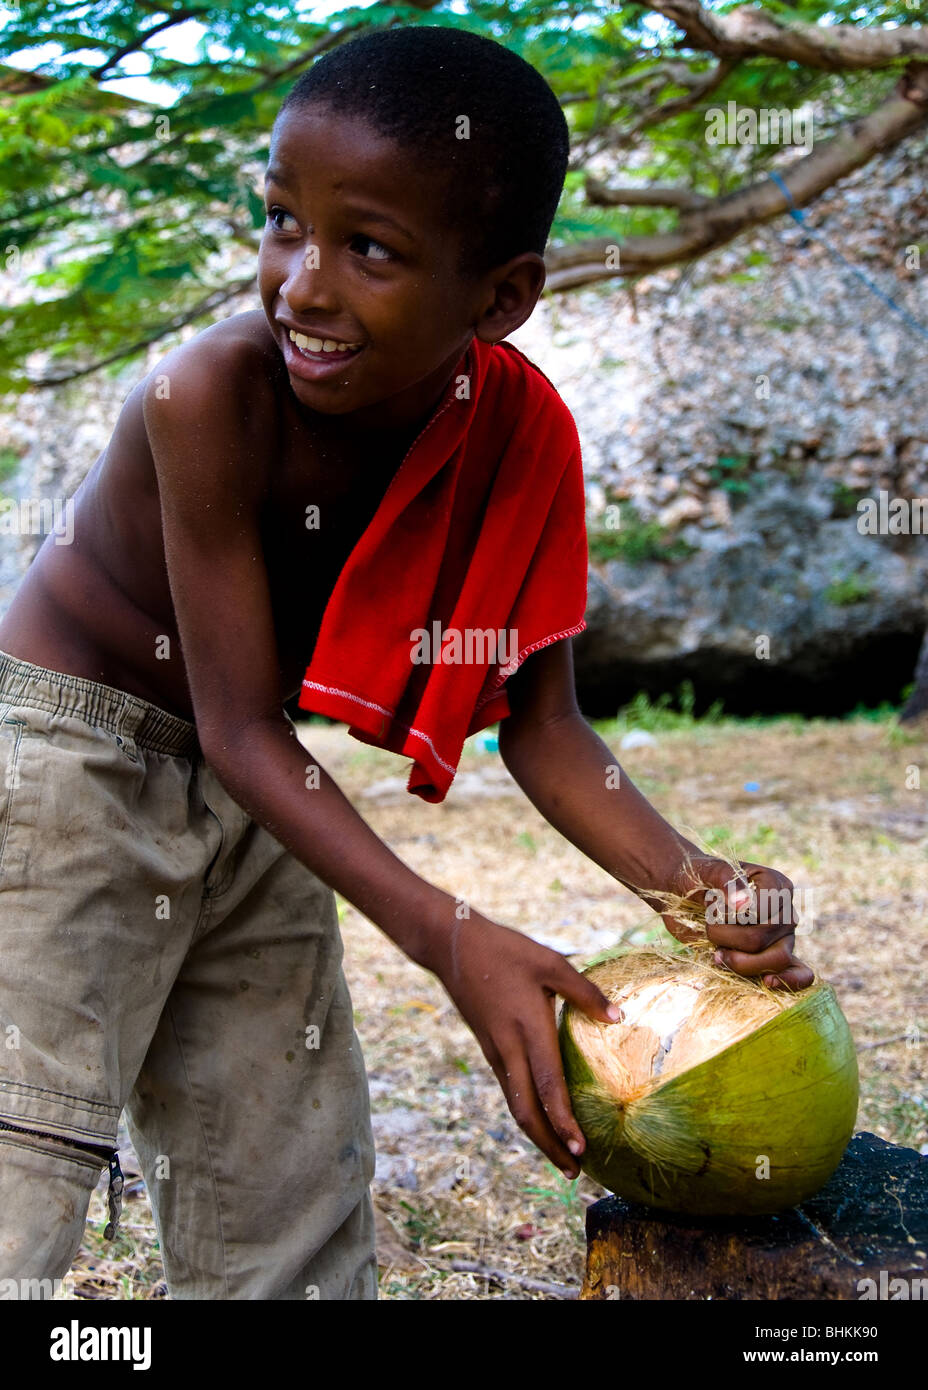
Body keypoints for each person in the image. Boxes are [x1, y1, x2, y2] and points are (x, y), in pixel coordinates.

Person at [0, 24, 810, 1300]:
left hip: (258, 787)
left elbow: (545, 730)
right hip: (67, 757)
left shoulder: (520, 428)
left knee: (285, 1168)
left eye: (366, 246)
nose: (301, 286)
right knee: (24, 1143)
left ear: (499, 296)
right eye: (280, 221)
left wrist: (699, 887)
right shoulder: (210, 396)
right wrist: (450, 933)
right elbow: (237, 730)